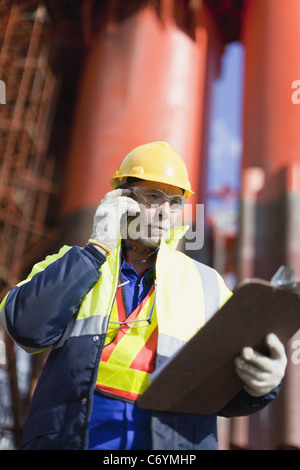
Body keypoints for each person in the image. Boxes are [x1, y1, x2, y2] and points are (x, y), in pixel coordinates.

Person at [0, 141, 287, 450]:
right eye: (153, 197)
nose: (165, 213)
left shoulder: (207, 283)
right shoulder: (71, 263)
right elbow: (26, 328)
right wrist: (97, 249)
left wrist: (264, 385)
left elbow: (224, 391)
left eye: (175, 202)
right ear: (119, 200)